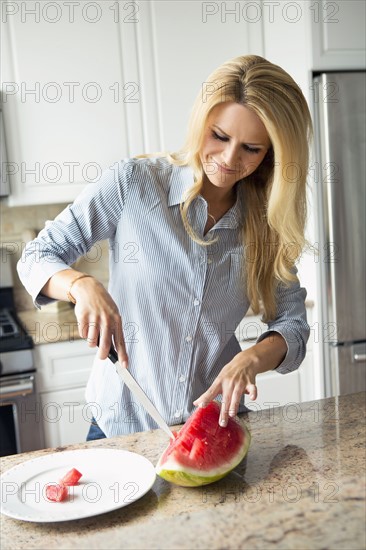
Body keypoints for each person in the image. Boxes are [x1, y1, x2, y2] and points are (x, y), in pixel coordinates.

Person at [18, 55, 312, 440]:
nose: (228, 159)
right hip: (119, 427)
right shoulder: (133, 184)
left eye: (251, 149)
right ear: (201, 121)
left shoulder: (266, 220)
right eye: (220, 136)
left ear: (271, 154)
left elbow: (293, 324)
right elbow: (37, 255)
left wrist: (251, 359)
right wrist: (80, 285)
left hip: (214, 426)